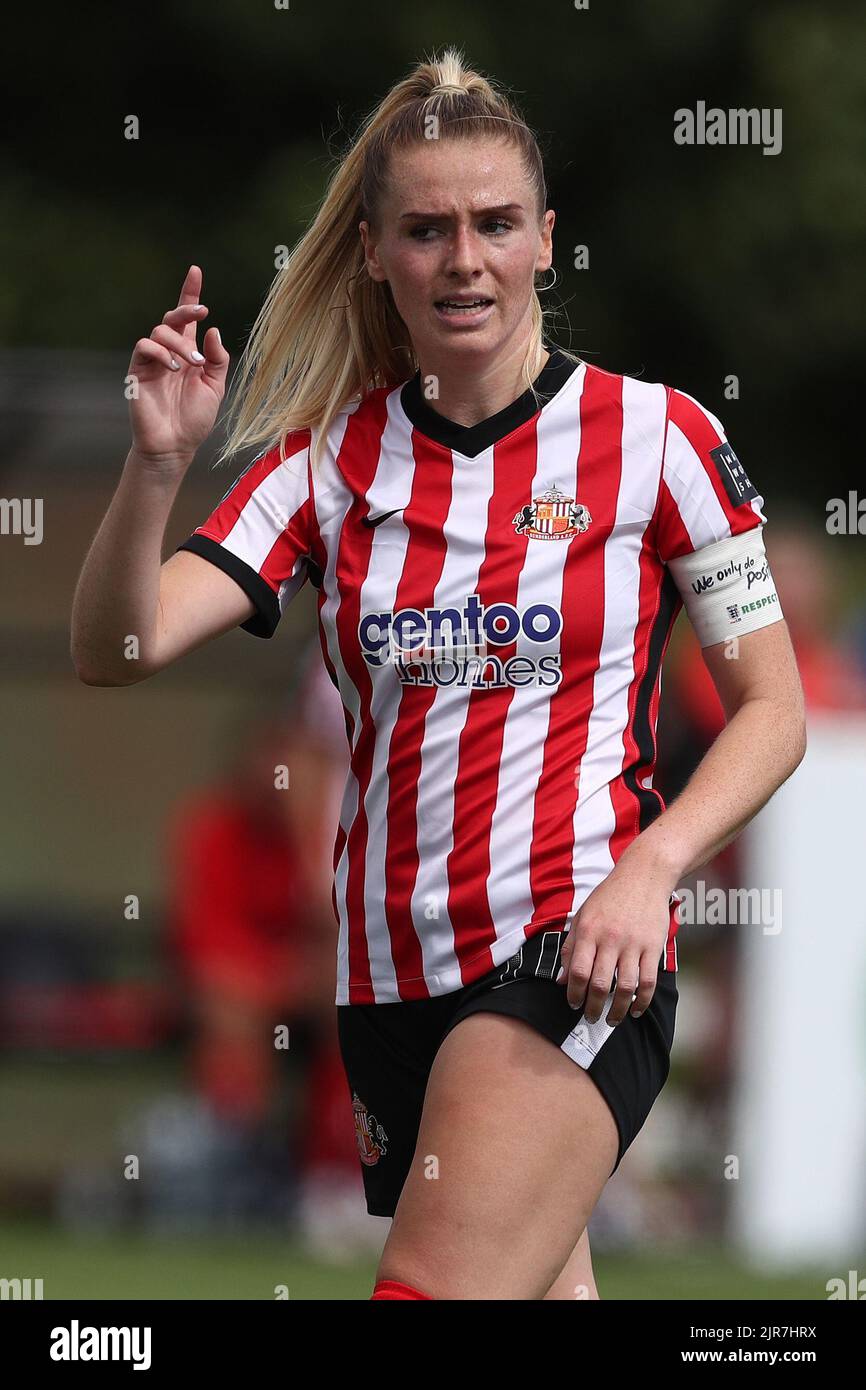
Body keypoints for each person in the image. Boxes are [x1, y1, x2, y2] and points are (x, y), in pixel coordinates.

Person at [70, 47, 806, 1300]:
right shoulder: (325, 464)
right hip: (386, 985)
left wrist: (650, 871)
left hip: (569, 953)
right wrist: (154, 467)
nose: (462, 257)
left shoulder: (662, 439)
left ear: (542, 241)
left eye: (493, 223)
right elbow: (115, 651)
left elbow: (773, 711)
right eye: (426, 228)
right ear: (373, 252)